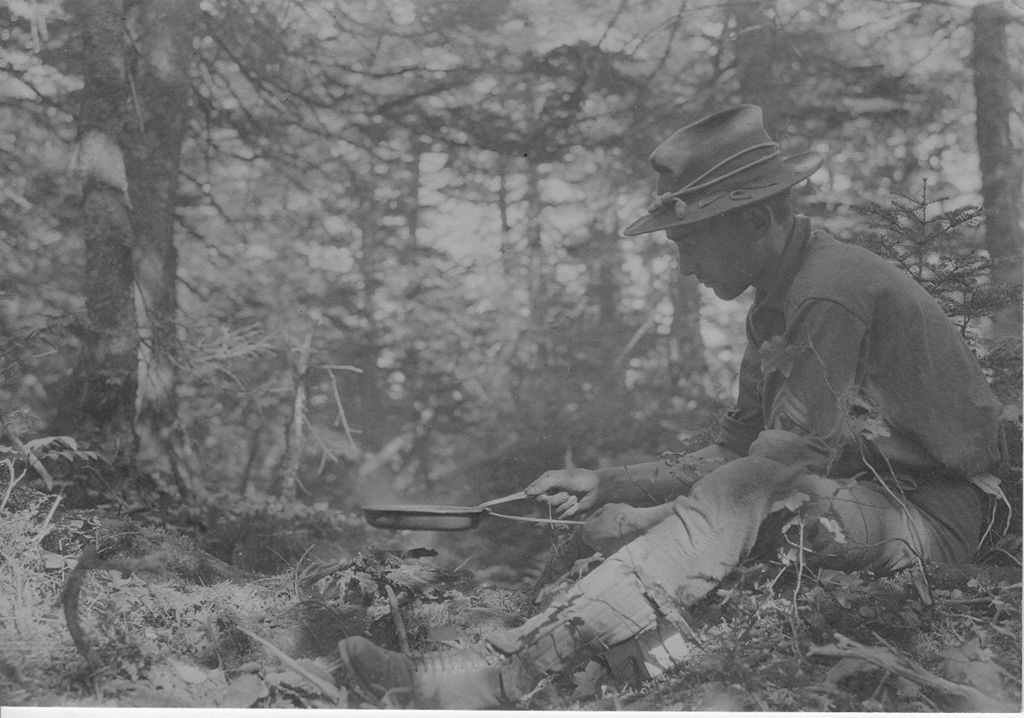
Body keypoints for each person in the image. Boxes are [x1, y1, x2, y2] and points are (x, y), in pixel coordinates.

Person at [336, 104, 1005, 709]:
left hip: (934, 516)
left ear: (758, 219)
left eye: (691, 240)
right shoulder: (778, 301)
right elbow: (737, 450)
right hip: (865, 501)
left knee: (768, 499)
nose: (685, 265)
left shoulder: (828, 291)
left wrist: (648, 519)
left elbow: (778, 466)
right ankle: (531, 669)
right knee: (739, 513)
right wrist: (606, 485)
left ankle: (503, 675)